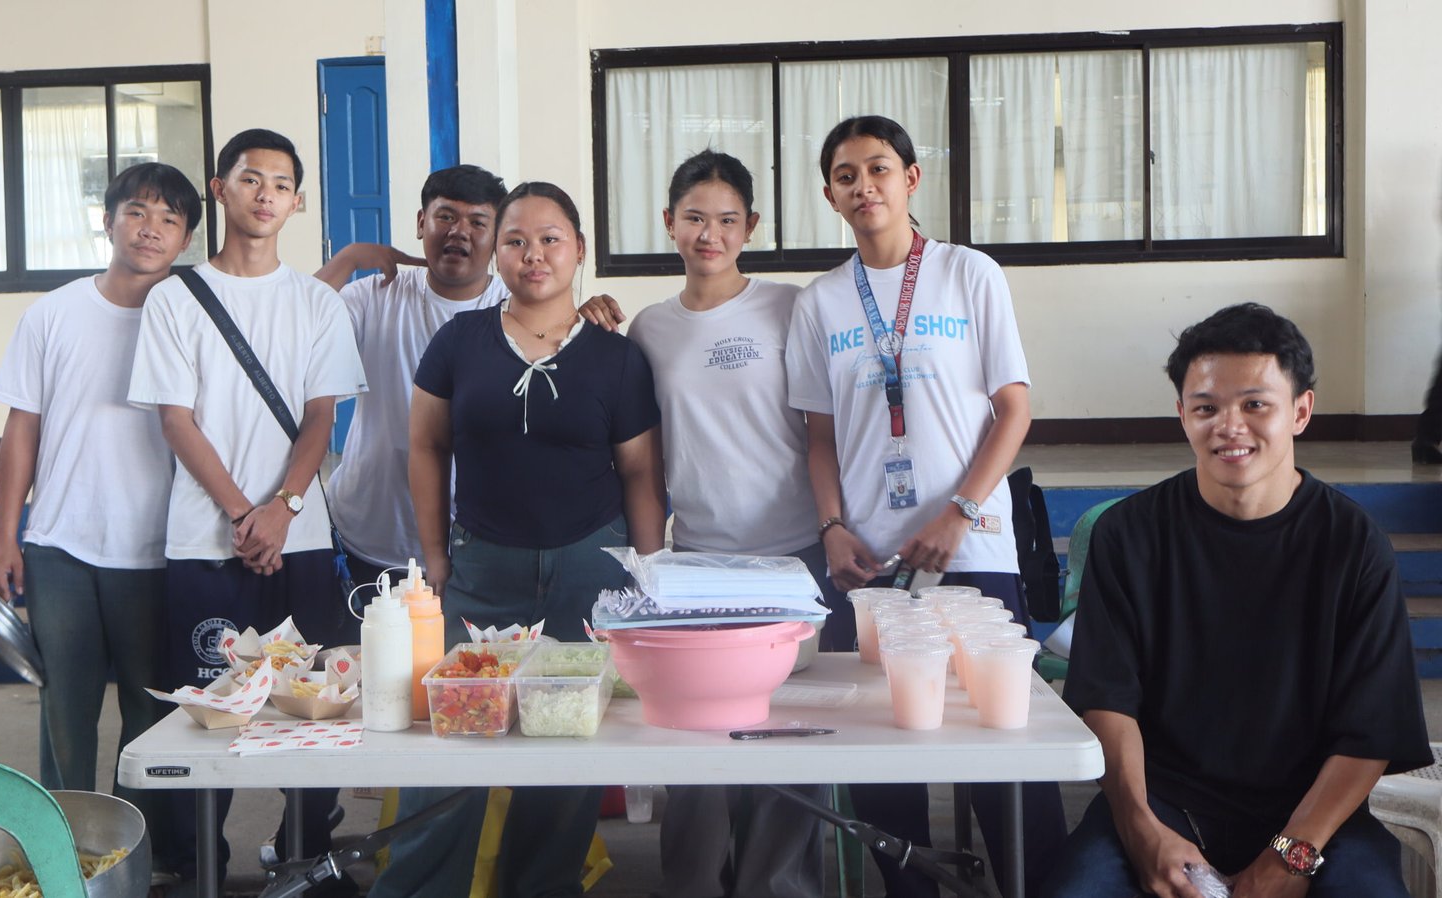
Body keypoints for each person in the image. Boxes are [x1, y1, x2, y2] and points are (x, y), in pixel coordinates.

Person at [1044, 303, 1431, 898]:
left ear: (1300, 411)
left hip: (1311, 814)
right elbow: (1107, 701)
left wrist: (1291, 855)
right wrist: (1142, 831)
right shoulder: (1128, 535)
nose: (1229, 426)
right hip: (1162, 803)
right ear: (1182, 415)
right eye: (1206, 408)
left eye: (1255, 404)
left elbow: (1370, 731)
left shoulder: (1352, 544)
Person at [783, 114, 1063, 897]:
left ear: (910, 178)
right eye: (845, 175)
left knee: (999, 748)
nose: (863, 186)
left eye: (878, 168)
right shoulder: (821, 302)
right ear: (830, 196)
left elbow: (1014, 410)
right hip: (871, 562)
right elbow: (819, 437)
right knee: (885, 757)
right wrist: (832, 529)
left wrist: (958, 513)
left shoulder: (969, 273)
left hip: (974, 545)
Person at [372, 181, 666, 898]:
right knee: (454, 745)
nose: (534, 254)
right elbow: (426, 446)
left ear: (579, 250)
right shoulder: (459, 342)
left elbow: (639, 472)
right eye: (516, 241)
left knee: (563, 750)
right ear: (497, 253)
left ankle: (544, 884)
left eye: (550, 239)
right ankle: (422, 888)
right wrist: (435, 555)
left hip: (588, 569)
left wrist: (649, 579)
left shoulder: (617, 357)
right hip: (482, 567)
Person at [579, 148, 825, 898]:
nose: (709, 234)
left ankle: (776, 888)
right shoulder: (649, 329)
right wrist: (590, 323)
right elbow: (641, 454)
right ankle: (692, 885)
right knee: (695, 741)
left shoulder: (790, 307)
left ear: (751, 225)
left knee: (785, 738)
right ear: (669, 223)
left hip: (792, 558)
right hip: (696, 563)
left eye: (726, 220)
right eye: (694, 218)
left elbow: (824, 429)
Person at [127, 128, 366, 895]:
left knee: (313, 707)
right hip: (207, 543)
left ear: (297, 203)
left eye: (281, 184)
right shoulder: (175, 299)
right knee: (211, 713)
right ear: (220, 188)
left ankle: (305, 856)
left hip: (301, 540)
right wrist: (245, 515)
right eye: (251, 178)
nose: (266, 194)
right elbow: (177, 420)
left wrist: (284, 509)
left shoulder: (316, 302)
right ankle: (199, 865)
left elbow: (321, 417)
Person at [0, 162, 201, 880]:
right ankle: (61, 861)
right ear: (108, 221)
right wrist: (5, 535)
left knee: (149, 718)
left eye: (169, 220)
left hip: (157, 549)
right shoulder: (53, 313)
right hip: (62, 546)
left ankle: (131, 865)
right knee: (66, 716)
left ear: (186, 239)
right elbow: (21, 428)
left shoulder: (191, 316)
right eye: (137, 212)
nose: (150, 229)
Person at [314, 165, 509, 584]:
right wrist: (348, 258)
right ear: (421, 223)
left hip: (474, 542)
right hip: (367, 534)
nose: (459, 232)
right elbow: (292, 333)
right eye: (446, 216)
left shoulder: (513, 309)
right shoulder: (374, 296)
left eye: (478, 223)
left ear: (496, 237)